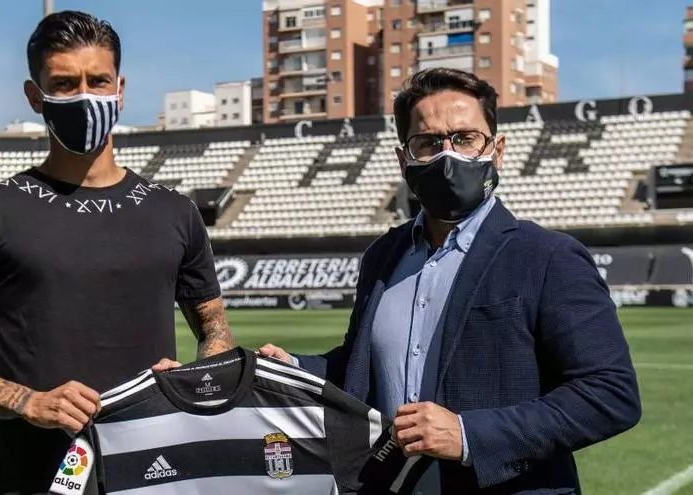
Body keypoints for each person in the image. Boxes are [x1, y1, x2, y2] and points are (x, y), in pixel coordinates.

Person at [259, 68, 641, 494]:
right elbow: (363, 365)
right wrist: (296, 369)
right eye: (428, 143)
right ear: (403, 159)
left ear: (497, 150)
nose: (447, 156)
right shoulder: (382, 256)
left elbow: (610, 394)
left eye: (464, 138)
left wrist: (467, 435)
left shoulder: (548, 256)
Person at [0, 11, 234, 495]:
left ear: (120, 89)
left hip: (157, 476)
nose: (84, 96)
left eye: (98, 81)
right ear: (34, 96)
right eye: (64, 84)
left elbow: (216, 333)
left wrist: (194, 379)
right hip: (35, 480)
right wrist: (27, 401)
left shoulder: (176, 212)